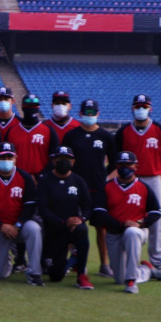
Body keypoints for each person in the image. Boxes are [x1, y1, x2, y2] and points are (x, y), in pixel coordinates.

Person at [115, 94, 161, 278]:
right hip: (130, 181)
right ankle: (125, 262)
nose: (141, 110)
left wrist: (156, 169)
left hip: (152, 179)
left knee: (155, 220)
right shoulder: (124, 131)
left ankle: (158, 263)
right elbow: (115, 155)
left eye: (144, 106)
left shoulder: (159, 129)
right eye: (138, 106)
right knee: (126, 218)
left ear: (150, 109)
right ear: (132, 109)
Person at [91, 152, 161, 294]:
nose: (125, 167)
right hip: (114, 233)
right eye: (121, 164)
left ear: (136, 166)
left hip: (137, 231)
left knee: (131, 232)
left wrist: (141, 223)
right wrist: (120, 224)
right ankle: (146, 270)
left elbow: (156, 211)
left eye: (129, 164)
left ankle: (131, 281)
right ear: (116, 166)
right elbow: (99, 212)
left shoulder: (143, 187)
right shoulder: (107, 186)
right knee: (119, 278)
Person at [0, 143, 43, 285]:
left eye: (9, 157)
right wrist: (1, 226)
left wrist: (17, 225)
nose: (6, 160)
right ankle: (6, 262)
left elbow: (30, 206)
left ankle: (34, 273)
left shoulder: (25, 177)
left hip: (20, 226)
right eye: (2, 157)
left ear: (16, 158)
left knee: (34, 229)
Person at [62, 99, 116, 277]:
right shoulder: (72, 135)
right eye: (86, 112)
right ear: (80, 113)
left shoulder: (106, 136)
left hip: (98, 188)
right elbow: (64, 160)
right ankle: (73, 262)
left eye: (92, 113)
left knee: (101, 227)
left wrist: (103, 174)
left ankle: (104, 264)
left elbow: (114, 160)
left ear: (98, 114)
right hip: (76, 188)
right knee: (74, 225)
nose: (89, 115)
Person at [36, 146, 93, 289]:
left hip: (73, 228)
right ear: (54, 161)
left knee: (82, 230)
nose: (64, 162)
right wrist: (63, 222)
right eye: (60, 158)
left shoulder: (78, 181)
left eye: (67, 159)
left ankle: (81, 275)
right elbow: (43, 210)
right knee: (55, 276)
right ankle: (72, 260)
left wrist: (81, 219)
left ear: (73, 162)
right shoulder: (45, 181)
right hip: (54, 230)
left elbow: (88, 207)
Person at [6, 93, 57, 177]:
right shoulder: (11, 131)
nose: (31, 108)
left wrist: (41, 175)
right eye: (28, 105)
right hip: (17, 178)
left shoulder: (49, 130)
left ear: (39, 107)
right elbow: (7, 157)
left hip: (41, 179)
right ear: (22, 107)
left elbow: (54, 158)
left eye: (34, 105)